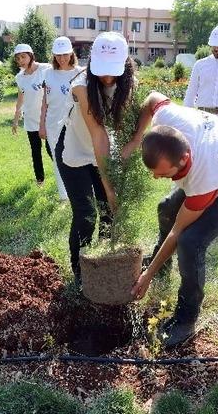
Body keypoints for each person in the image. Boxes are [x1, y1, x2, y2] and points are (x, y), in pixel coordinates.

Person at [127, 91, 218, 348]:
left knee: (190, 241)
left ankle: (186, 320)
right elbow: (152, 98)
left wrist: (146, 276)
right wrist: (137, 137)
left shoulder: (204, 176)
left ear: (184, 159)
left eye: (162, 174)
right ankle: (161, 265)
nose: (155, 178)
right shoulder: (167, 117)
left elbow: (177, 232)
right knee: (166, 207)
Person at [56, 31, 135, 284]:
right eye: (102, 70)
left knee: (109, 214)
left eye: (113, 70)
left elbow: (123, 127)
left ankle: (101, 263)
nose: (107, 77)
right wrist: (110, 189)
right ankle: (80, 273)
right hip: (75, 151)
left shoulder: (129, 83)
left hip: (103, 152)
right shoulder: (81, 86)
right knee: (86, 214)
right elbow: (98, 134)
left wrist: (120, 172)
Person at [40, 36, 85, 201]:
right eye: (58, 55)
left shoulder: (80, 72)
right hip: (52, 124)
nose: (62, 58)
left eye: (65, 54)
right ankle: (63, 195)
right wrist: (41, 125)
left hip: (75, 124)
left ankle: (79, 191)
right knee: (57, 160)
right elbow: (44, 102)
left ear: (71, 53)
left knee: (76, 157)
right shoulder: (47, 73)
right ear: (53, 56)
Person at [12, 44, 52, 186]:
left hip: (47, 118)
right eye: (18, 58)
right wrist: (16, 119)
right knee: (36, 151)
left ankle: (64, 177)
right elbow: (20, 98)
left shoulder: (45, 68)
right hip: (30, 119)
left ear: (31, 55)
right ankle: (40, 180)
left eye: (23, 57)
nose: (21, 61)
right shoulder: (20, 77)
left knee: (51, 149)